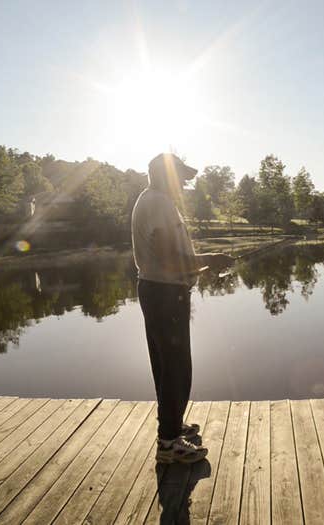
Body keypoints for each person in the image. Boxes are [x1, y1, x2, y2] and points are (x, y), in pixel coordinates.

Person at [131, 153, 234, 464]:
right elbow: (167, 259)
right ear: (165, 175)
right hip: (165, 295)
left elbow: (169, 259)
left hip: (161, 291)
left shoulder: (153, 200)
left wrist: (198, 267)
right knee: (176, 367)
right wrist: (210, 260)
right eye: (182, 176)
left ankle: (172, 426)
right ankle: (168, 443)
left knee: (166, 366)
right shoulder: (158, 203)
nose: (186, 182)